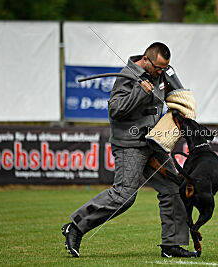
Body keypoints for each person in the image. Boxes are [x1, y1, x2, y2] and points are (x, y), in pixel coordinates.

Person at [61, 42, 197, 258]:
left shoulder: (162, 75)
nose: (161, 73)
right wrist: (140, 93)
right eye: (158, 68)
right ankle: (75, 227)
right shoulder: (126, 77)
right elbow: (116, 111)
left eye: (165, 68)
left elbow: (176, 95)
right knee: (124, 195)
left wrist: (183, 105)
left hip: (154, 143)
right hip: (130, 145)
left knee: (173, 188)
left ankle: (172, 244)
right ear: (146, 59)